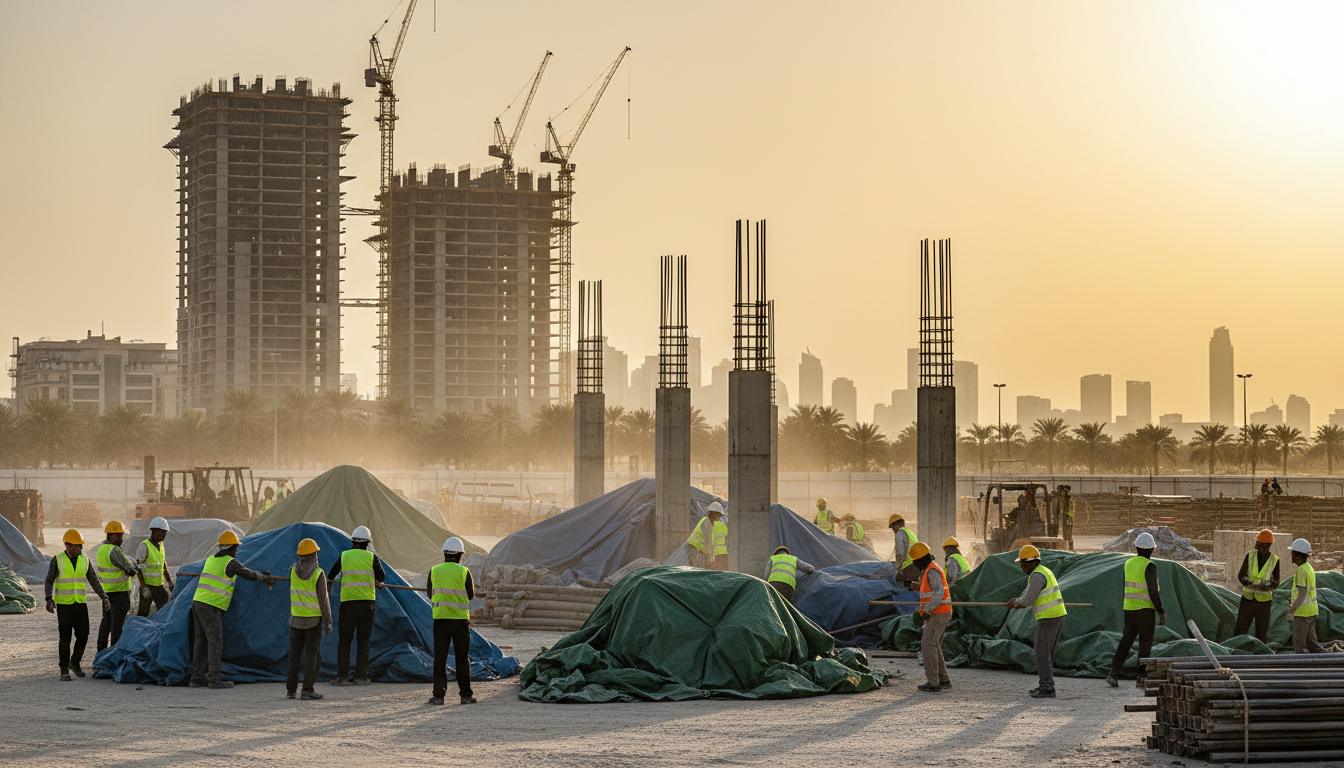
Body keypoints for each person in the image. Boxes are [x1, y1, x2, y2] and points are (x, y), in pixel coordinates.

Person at [190, 530, 278, 689]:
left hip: (198, 602)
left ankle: (196, 678)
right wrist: (264, 578)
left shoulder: (211, 559)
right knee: (215, 642)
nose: (237, 552)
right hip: (210, 605)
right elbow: (248, 574)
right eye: (236, 548)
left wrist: (260, 575)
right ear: (231, 549)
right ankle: (214, 679)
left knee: (201, 641)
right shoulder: (230, 562)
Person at [44, 529, 111, 681]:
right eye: (71, 546)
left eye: (77, 546)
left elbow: (94, 580)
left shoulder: (85, 560)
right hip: (64, 605)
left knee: (83, 635)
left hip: (80, 604)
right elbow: (49, 580)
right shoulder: (57, 559)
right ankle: (64, 669)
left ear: (81, 547)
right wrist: (49, 598)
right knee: (65, 637)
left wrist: (104, 597)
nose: (74, 549)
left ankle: (74, 662)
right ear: (66, 545)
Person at [1005, 545, 1066, 699]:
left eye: (1023, 564)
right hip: (1057, 615)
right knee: (1047, 653)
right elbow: (1029, 597)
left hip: (1049, 617)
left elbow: (1029, 599)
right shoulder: (1044, 571)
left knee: (1041, 652)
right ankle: (1045, 683)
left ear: (1031, 562)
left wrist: (1016, 603)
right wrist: (1019, 602)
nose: (1022, 567)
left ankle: (1047, 687)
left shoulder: (1037, 576)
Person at [1106, 532, 1167, 687]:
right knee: (1145, 644)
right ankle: (1141, 678)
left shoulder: (1128, 563)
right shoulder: (1150, 565)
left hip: (1129, 609)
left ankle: (1113, 672)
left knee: (1126, 641)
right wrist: (1161, 611)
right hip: (1145, 611)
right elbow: (1153, 591)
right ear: (1152, 550)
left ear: (1137, 548)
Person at [328, 525, 386, 686]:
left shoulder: (344, 556)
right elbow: (381, 577)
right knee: (363, 640)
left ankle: (342, 677)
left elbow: (331, 576)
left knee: (344, 641)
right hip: (367, 604)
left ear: (353, 542)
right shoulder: (372, 557)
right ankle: (361, 675)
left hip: (348, 603)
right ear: (368, 543)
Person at [427, 537, 477, 705]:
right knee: (462, 659)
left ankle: (438, 696)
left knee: (440, 658)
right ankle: (465, 695)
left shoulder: (434, 570)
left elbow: (430, 593)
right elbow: (470, 595)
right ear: (460, 555)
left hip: (440, 620)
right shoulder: (464, 572)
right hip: (460, 622)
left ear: (445, 554)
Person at [287, 538, 332, 700]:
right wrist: (328, 622)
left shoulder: (292, 570)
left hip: (295, 620)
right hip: (313, 621)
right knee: (311, 654)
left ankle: (291, 690)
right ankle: (307, 690)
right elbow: (324, 600)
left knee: (294, 654)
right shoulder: (318, 574)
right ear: (314, 555)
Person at [910, 542, 953, 693]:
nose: (915, 565)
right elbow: (928, 590)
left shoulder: (932, 570)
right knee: (934, 646)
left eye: (915, 562)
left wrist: (927, 611)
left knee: (927, 645)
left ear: (921, 559)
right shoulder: (929, 569)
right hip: (940, 612)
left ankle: (934, 683)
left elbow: (939, 593)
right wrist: (912, 585)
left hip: (938, 613)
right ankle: (943, 679)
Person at [95, 520, 138, 652]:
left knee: (106, 623)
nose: (121, 539)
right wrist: (133, 563)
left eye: (121, 535)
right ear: (110, 535)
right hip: (119, 593)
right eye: (118, 535)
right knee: (117, 625)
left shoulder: (101, 549)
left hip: (106, 593)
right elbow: (131, 571)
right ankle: (114, 653)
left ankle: (101, 651)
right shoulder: (115, 551)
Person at [1233, 529, 1280, 644]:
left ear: (1268, 545)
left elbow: (1276, 582)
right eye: (1259, 545)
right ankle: (1235, 653)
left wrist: (1265, 586)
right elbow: (1241, 575)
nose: (1261, 548)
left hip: (1264, 603)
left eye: (1263, 546)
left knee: (1261, 633)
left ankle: (1260, 657)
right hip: (1248, 600)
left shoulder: (1274, 560)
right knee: (1240, 630)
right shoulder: (1250, 556)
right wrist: (1247, 583)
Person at [1286, 538, 1326, 654]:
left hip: (1302, 613)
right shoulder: (1309, 568)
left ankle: (1300, 668)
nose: (1291, 556)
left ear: (1297, 555)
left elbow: (1302, 593)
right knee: (1313, 645)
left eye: (1292, 553)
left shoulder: (1301, 571)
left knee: (1299, 645)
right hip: (1312, 611)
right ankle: (1332, 657)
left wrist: (1292, 609)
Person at [135, 517, 175, 617]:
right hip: (147, 586)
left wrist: (169, 582)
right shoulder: (144, 546)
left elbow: (163, 565)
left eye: (165, 533)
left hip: (158, 586)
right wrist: (143, 586)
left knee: (163, 610)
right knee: (143, 612)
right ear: (153, 531)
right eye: (161, 533)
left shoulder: (161, 545)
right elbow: (138, 568)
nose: (163, 535)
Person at [686, 502, 728, 570]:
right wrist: (711, 559)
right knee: (694, 568)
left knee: (698, 567)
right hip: (694, 547)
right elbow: (708, 542)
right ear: (714, 514)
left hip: (697, 548)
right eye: (718, 516)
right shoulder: (707, 523)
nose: (718, 519)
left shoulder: (709, 523)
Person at [888, 514, 919, 580]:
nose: (893, 531)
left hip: (907, 567)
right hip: (916, 565)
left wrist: (897, 569)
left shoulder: (900, 533)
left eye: (893, 528)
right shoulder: (910, 532)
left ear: (895, 525)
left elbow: (900, 554)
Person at [1058, 485, 1075, 550]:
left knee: (1066, 535)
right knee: (1068, 535)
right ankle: (1070, 548)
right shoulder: (1068, 499)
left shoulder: (1066, 499)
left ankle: (1068, 548)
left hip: (1067, 518)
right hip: (1068, 518)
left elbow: (1064, 509)